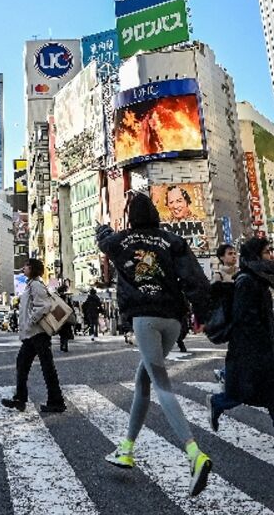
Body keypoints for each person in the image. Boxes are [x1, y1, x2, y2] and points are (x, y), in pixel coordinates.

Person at [96, 191, 212, 496]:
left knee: (161, 385)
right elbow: (196, 279)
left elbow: (105, 241)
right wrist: (203, 312)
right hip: (173, 320)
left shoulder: (121, 241)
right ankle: (126, 449)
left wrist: (103, 228)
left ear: (131, 216)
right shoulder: (172, 240)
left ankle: (194, 454)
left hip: (144, 318)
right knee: (143, 382)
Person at [209, 237, 274, 451]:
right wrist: (266, 337)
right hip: (249, 350)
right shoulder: (246, 280)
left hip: (261, 348)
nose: (271, 255)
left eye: (270, 250)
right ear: (255, 256)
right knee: (246, 391)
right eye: (266, 252)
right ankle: (218, 402)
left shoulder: (258, 279)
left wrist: (271, 337)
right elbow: (243, 317)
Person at [0, 259, 66, 415]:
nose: (24, 268)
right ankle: (20, 399)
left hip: (38, 334)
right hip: (32, 335)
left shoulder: (36, 285)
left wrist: (30, 322)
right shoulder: (31, 285)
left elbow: (43, 306)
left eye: (27, 266)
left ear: (33, 269)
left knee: (46, 367)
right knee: (23, 364)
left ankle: (56, 402)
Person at [56, 279, 73, 352]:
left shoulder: (57, 298)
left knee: (62, 332)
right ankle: (65, 345)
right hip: (66, 315)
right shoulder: (67, 298)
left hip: (59, 315)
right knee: (65, 331)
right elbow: (71, 307)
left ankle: (62, 344)